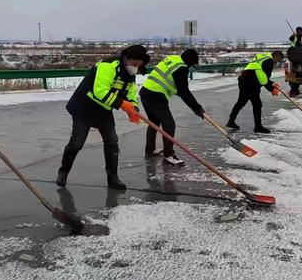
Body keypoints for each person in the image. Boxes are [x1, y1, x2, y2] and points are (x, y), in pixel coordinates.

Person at [56, 45, 149, 189]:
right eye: (134, 63)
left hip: (103, 110)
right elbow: (99, 91)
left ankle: (113, 179)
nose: (135, 67)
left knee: (112, 142)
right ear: (126, 58)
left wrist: (133, 108)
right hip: (84, 107)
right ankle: (63, 171)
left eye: (138, 64)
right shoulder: (108, 66)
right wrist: (122, 105)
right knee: (77, 143)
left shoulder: (130, 71)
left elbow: (130, 92)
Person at [140, 49, 204, 167]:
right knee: (169, 125)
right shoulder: (182, 68)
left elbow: (176, 87)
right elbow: (184, 91)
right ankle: (168, 156)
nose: (192, 67)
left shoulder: (173, 59)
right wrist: (197, 108)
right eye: (192, 65)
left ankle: (150, 150)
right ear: (189, 62)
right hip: (156, 94)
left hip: (145, 91)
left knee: (154, 122)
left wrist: (195, 106)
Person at [226, 51, 283, 133]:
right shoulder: (269, 61)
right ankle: (258, 127)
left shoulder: (263, 57)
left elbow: (260, 74)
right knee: (257, 104)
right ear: (276, 56)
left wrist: (272, 83)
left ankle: (231, 121)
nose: (276, 63)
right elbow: (263, 79)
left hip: (244, 79)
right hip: (251, 83)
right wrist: (271, 89)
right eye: (278, 60)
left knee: (241, 102)